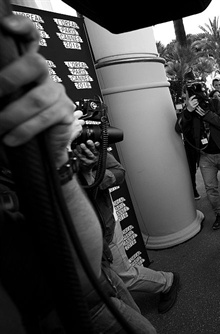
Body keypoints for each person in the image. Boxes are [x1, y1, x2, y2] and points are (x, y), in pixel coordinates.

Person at [0, 14, 156, 333]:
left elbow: (117, 173)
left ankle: (164, 284)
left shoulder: (68, 140)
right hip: (69, 287)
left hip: (99, 233)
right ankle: (165, 283)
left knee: (124, 293)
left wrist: (77, 169)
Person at [74, 140, 179, 314]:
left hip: (103, 229)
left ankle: (166, 281)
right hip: (75, 238)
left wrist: (92, 175)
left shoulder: (85, 144)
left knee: (123, 276)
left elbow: (119, 173)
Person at [181, 84, 220, 230]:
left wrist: (206, 114)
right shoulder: (189, 110)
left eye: (200, 92)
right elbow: (179, 128)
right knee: (210, 188)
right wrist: (188, 111)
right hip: (205, 156)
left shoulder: (215, 103)